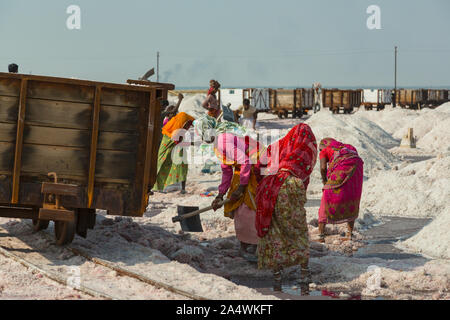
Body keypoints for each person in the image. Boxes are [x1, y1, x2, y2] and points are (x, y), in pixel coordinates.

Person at [255, 123, 318, 291]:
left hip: (271, 186)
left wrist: (260, 181)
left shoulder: (282, 144)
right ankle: (304, 272)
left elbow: (260, 161)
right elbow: (305, 174)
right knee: (297, 230)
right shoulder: (308, 146)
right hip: (292, 185)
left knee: (273, 230)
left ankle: (277, 274)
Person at [194, 115, 261, 261]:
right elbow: (226, 171)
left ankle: (254, 245)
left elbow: (246, 161)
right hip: (244, 169)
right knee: (237, 207)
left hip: (255, 167)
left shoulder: (224, 141)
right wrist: (220, 195)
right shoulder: (218, 143)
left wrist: (242, 187)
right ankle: (246, 244)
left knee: (248, 208)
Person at [317, 138, 364, 243]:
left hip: (343, 168)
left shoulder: (325, 151)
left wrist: (325, 182)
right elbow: (355, 158)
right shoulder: (349, 147)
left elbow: (323, 168)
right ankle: (350, 234)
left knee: (327, 197)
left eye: (320, 149)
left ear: (324, 146)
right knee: (352, 196)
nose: (320, 152)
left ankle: (320, 236)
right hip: (357, 169)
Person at [151, 112, 195, 195]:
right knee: (161, 164)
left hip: (176, 148)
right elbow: (177, 139)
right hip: (170, 146)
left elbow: (181, 139)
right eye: (186, 125)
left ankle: (160, 187)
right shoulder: (174, 129)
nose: (187, 128)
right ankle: (154, 186)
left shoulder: (180, 126)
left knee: (172, 165)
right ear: (182, 123)